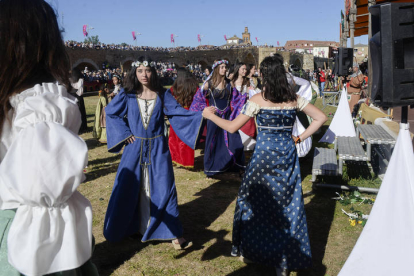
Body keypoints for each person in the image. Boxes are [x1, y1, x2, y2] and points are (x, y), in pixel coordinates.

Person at [202, 54, 327, 276]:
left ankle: (253, 250)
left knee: (256, 204)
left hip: (263, 158)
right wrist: (299, 138)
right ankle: (284, 262)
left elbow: (231, 127)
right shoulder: (294, 98)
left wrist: (209, 117)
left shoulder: (257, 100)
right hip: (287, 155)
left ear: (265, 75)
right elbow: (321, 118)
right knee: (287, 205)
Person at [0, 0, 98, 275]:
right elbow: (44, 188)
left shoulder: (35, 104)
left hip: (18, 231)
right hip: (18, 230)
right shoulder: (38, 103)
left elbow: (44, 192)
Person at [104, 56, 203, 249]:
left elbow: (177, 112)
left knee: (164, 187)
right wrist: (124, 134)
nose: (144, 74)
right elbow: (111, 112)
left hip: (158, 148)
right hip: (134, 148)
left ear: (153, 72)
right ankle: (130, 227)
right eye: (140, 71)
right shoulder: (128, 94)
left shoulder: (162, 94)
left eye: (147, 70)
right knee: (129, 187)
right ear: (135, 73)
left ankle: (173, 233)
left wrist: (200, 114)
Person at [190, 60, 245, 177]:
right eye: (222, 67)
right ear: (216, 69)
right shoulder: (208, 84)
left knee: (234, 140)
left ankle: (231, 164)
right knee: (213, 142)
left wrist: (245, 98)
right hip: (213, 117)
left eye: (225, 67)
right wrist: (205, 109)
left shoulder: (229, 83)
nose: (225, 69)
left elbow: (236, 98)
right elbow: (197, 99)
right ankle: (212, 167)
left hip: (227, 116)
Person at [168, 68, 199, 168]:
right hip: (189, 114)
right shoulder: (194, 86)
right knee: (186, 140)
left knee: (174, 139)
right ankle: (186, 161)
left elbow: (168, 95)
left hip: (177, 114)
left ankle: (175, 158)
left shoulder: (175, 87)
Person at [70, 68, 88, 133]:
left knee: (78, 112)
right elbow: (80, 90)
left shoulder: (73, 79)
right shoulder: (80, 79)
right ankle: (82, 127)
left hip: (73, 96)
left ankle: (81, 127)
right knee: (79, 112)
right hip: (77, 96)